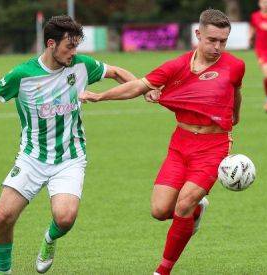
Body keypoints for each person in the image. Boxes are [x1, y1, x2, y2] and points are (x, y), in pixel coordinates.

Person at [0, 15, 139, 274]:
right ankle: (4, 272)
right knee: (3, 217)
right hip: (32, 157)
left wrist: (144, 87)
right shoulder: (23, 75)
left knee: (65, 219)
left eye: (76, 46)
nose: (74, 52)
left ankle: (49, 239)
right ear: (50, 44)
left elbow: (115, 72)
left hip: (70, 157)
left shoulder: (81, 66)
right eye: (69, 46)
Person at [80, 9, 245, 275]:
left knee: (183, 204)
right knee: (159, 210)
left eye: (223, 41)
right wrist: (101, 96)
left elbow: (236, 91)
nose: (217, 47)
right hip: (180, 144)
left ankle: (162, 270)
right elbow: (138, 86)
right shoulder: (176, 66)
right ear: (198, 34)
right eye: (211, 40)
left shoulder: (235, 65)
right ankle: (195, 212)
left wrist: (235, 115)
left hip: (214, 147)